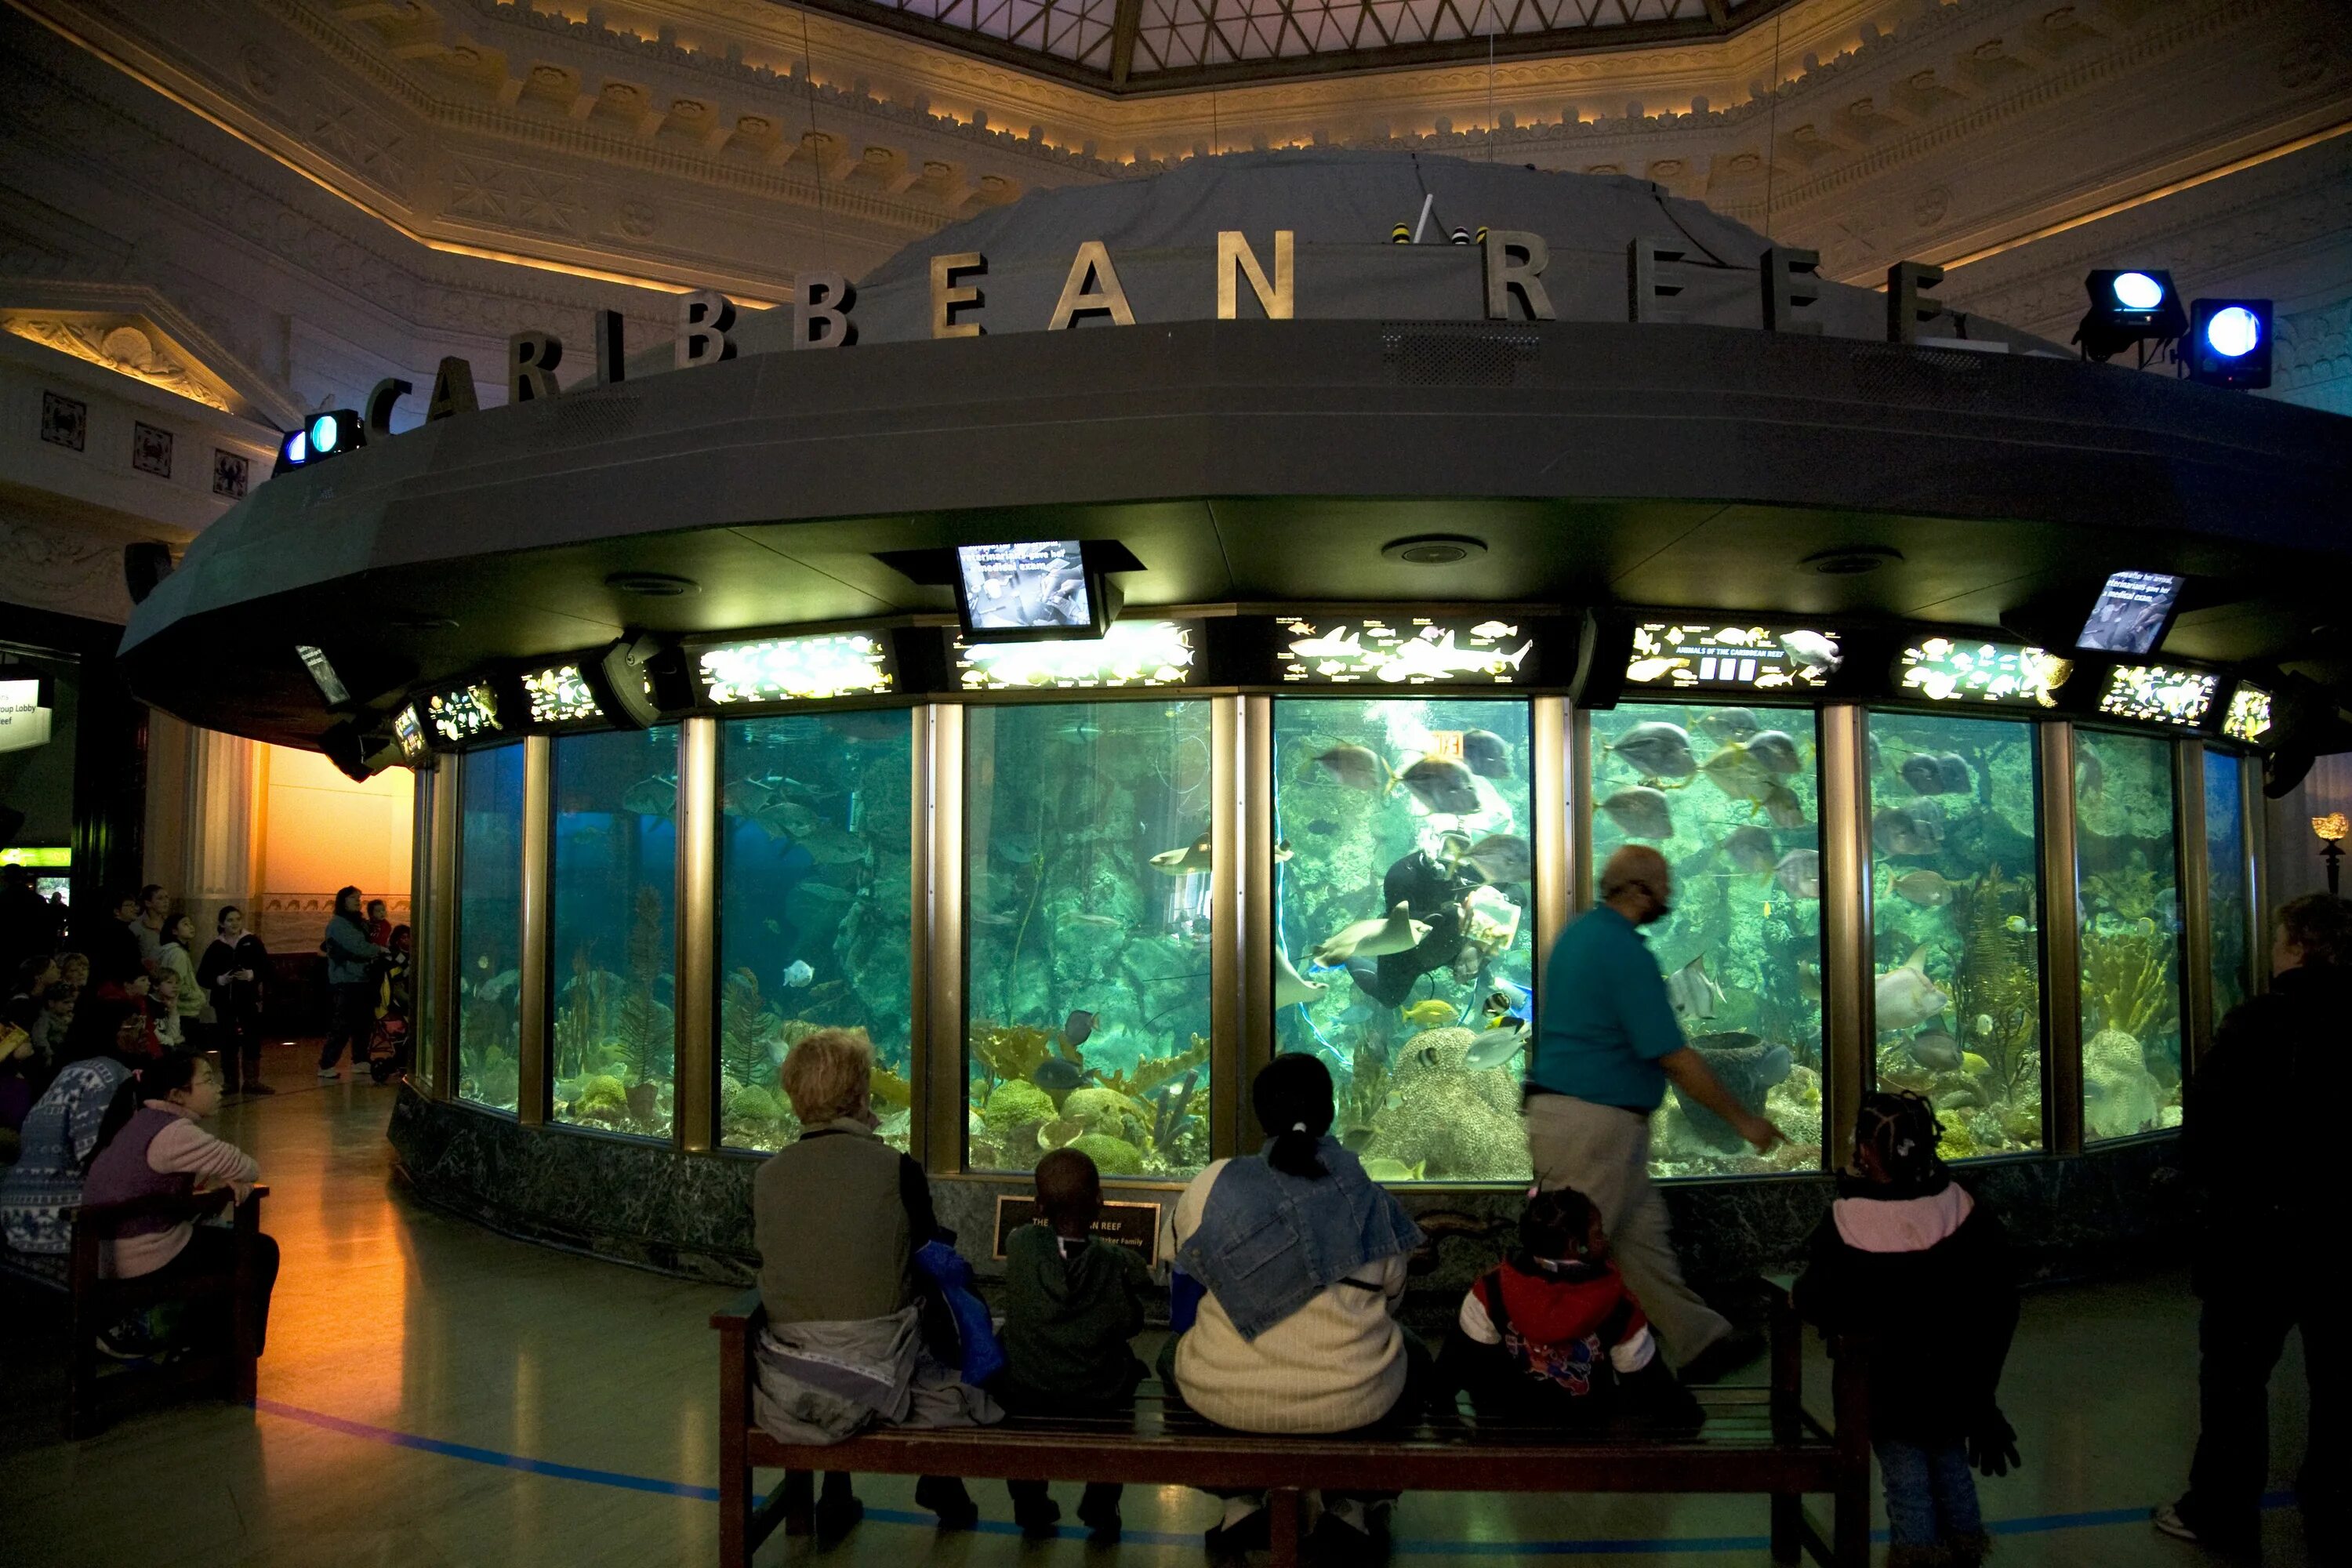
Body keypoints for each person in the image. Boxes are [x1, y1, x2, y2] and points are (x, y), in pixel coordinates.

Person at [1523, 844, 1784, 1383]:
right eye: (1663, 884)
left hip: (1581, 1118)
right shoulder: (1624, 952)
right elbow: (1673, 1054)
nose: (1670, 893)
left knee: (1641, 1242)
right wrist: (1744, 1120)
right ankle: (1532, 1370)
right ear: (1639, 890)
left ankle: (1700, 1340)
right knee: (1567, 1261)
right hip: (1593, 1124)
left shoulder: (1579, 937)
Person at [1163, 1053, 1426, 1559]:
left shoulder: (1210, 1183)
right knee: (1414, 1358)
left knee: (1167, 1357)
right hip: (1354, 1403)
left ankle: (1239, 1504)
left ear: (1260, 1116)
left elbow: (1179, 1287)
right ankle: (1351, 1507)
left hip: (1223, 1399)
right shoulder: (1369, 1196)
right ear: (1329, 1112)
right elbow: (1393, 1298)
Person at [2158, 892, 2350, 1557]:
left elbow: (2206, 1125)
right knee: (2341, 1374)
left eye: (2278, 938)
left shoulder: (2258, 1022)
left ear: (2298, 944)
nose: (2271, 949)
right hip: (2343, 1234)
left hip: (2257, 1235)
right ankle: (2334, 1499)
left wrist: (2209, 1196)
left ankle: (2220, 1508)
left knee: (2236, 1378)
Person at [750, 1027, 996, 1536]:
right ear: (862, 1095)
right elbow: (928, 1256)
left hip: (788, 1367)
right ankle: (941, 1480)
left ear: (795, 1097)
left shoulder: (768, 1175)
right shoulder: (897, 1169)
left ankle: (836, 1491)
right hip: (877, 1365)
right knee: (926, 1316)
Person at [1794, 1091, 2017, 1568]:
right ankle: (1967, 1552)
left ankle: (1918, 1559)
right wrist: (1982, 1398)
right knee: (1952, 1467)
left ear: (1868, 1154)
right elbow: (1999, 1298)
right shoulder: (1964, 1209)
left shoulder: (1849, 1222)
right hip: (1955, 1386)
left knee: (1908, 1481)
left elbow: (1817, 1298)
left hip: (1887, 1393)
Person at [1436, 1185, 1700, 1432]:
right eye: (1598, 1232)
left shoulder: (1491, 1289)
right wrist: (1687, 1414)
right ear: (1577, 1247)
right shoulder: (1616, 1305)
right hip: (1587, 1422)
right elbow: (1647, 1380)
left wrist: (1439, 1407)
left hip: (1506, 1421)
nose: (1604, 1237)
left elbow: (1458, 1359)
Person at [994, 1146, 1153, 1541]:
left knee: (1010, 1384)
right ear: (1100, 1200)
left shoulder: (1021, 1246)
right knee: (1133, 1372)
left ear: (1039, 1204)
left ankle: (1030, 1502)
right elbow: (1131, 1323)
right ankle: (1101, 1499)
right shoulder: (1117, 1261)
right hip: (1099, 1394)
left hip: (1028, 1391)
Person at [83, 1051, 278, 1359]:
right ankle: (235, 1354)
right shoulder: (176, 1134)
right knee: (260, 1251)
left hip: (106, 1251)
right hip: (142, 1254)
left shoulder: (144, 1121)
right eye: (208, 1081)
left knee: (220, 1241)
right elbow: (248, 1168)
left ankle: (209, 1346)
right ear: (177, 1095)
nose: (219, 1088)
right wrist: (231, 1180)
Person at [0, 1000, 139, 1254]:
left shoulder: (66, 1071)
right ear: (109, 1030)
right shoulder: (110, 1076)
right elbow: (102, 1158)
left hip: (16, 1218)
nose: (140, 1032)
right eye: (131, 1024)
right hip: (66, 1226)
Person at [199, 907, 272, 1095]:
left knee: (252, 1038)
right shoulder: (216, 946)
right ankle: (230, 1081)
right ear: (221, 924)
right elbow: (202, 975)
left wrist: (251, 974)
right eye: (230, 920)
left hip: (247, 998)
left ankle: (251, 1080)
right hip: (224, 1001)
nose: (235, 923)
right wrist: (219, 980)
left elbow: (267, 967)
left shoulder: (252, 942)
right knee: (227, 1040)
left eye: (238, 919)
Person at [317, 887, 386, 1080]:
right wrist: (378, 950)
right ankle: (326, 1064)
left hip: (363, 978)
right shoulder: (339, 925)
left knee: (364, 1022)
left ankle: (360, 1060)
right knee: (343, 1024)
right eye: (353, 898)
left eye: (359, 898)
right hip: (347, 980)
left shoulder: (358, 923)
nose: (358, 901)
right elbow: (358, 947)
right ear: (343, 901)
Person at [0, 861, 60, 974]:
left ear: (4, 879)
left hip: (7, 954)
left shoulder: (3, 899)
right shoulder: (38, 900)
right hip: (33, 955)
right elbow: (47, 929)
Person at [156, 913, 203, 1049]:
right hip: (184, 1011)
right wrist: (195, 994)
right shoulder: (178, 954)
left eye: (190, 923)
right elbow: (177, 984)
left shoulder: (172, 951)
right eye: (185, 924)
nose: (191, 927)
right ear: (174, 931)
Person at [29, 982, 76, 1063]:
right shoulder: (45, 1019)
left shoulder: (67, 1016)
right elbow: (39, 1038)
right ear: (51, 1003)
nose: (71, 1006)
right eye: (66, 1002)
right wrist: (49, 1056)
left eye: (72, 1002)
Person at [132, 884, 170, 978]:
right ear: (148, 903)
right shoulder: (136, 926)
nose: (166, 901)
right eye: (160, 898)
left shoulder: (170, 924)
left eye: (167, 897)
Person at [150, 968, 186, 1050]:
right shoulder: (148, 1003)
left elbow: (174, 1034)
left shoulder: (168, 1003)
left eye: (177, 983)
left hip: (168, 1048)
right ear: (156, 986)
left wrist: (173, 1010)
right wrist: (172, 1041)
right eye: (169, 982)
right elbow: (153, 1034)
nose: (175, 986)